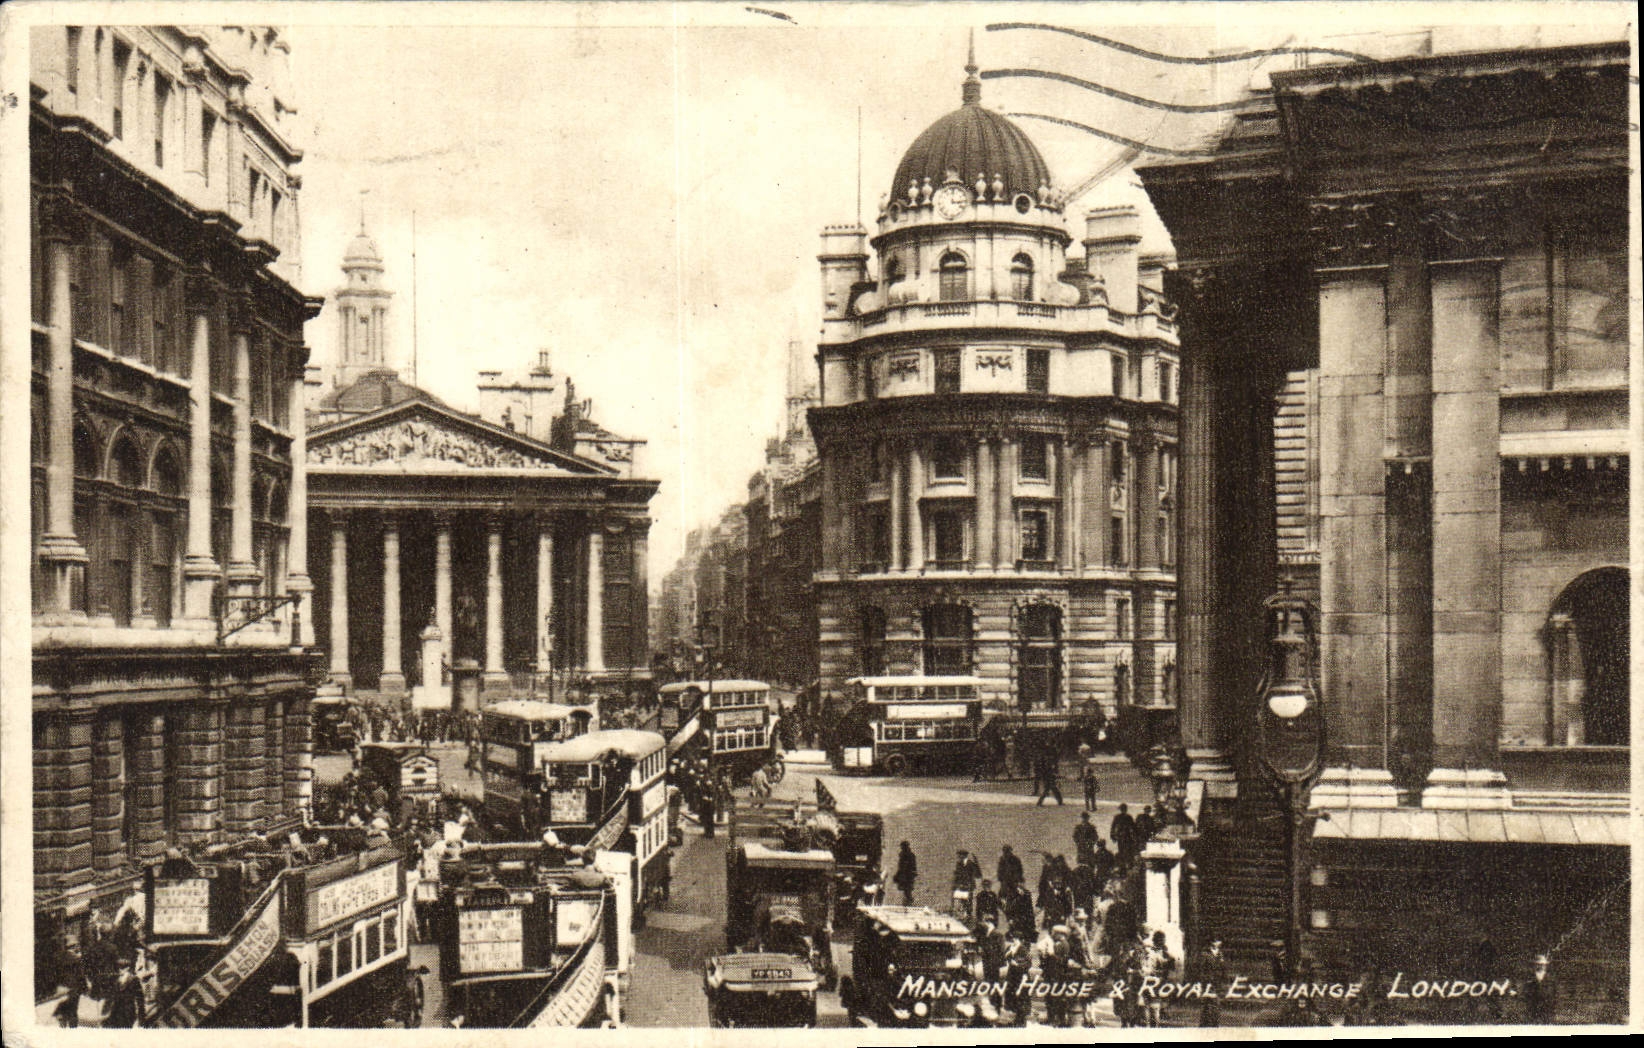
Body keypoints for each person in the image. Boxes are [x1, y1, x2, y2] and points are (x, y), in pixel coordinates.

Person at [1191, 938, 1228, 1027]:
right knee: (1208, 1004)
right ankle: (1205, 1024)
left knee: (1216, 1004)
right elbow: (1201, 969)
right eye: (1216, 941)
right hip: (1207, 982)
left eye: (1219, 941)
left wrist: (1223, 977)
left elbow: (1223, 968)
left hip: (1217, 982)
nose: (1218, 943)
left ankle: (1214, 1023)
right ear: (1212, 943)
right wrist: (1202, 981)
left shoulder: (1220, 954)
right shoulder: (1205, 954)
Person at [107, 957, 144, 1028]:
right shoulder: (117, 979)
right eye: (118, 967)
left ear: (127, 968)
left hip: (128, 1011)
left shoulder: (134, 979)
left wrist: (140, 1015)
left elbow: (139, 998)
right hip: (117, 1012)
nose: (119, 970)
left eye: (122, 968)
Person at [1524, 953, 1557, 1024]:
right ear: (1535, 965)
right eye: (1539, 964)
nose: (1542, 966)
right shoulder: (1530, 976)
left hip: (1547, 1007)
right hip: (1533, 1007)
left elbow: (1554, 992)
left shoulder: (1550, 977)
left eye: (1543, 964)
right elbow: (1526, 992)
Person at [951, 849, 981, 917]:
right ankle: (962, 915)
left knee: (968, 902)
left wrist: (976, 863)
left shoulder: (970, 864)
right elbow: (957, 875)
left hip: (968, 886)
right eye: (959, 856)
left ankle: (968, 916)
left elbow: (978, 875)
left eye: (960, 856)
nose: (959, 857)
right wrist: (955, 885)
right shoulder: (958, 864)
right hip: (961, 886)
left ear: (965, 856)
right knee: (960, 901)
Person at [893, 841, 918, 906]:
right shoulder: (908, 855)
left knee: (907, 888)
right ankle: (908, 901)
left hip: (907, 875)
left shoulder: (906, 855)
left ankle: (908, 901)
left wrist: (899, 874)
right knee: (906, 888)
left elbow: (904, 866)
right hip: (907, 875)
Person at [1080, 747, 1101, 811]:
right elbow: (1095, 783)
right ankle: (1092, 807)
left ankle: (1088, 808)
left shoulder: (1086, 777)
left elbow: (1085, 783)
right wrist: (1097, 788)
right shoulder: (1091, 777)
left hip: (1088, 789)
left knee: (1088, 799)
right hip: (1091, 789)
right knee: (1092, 799)